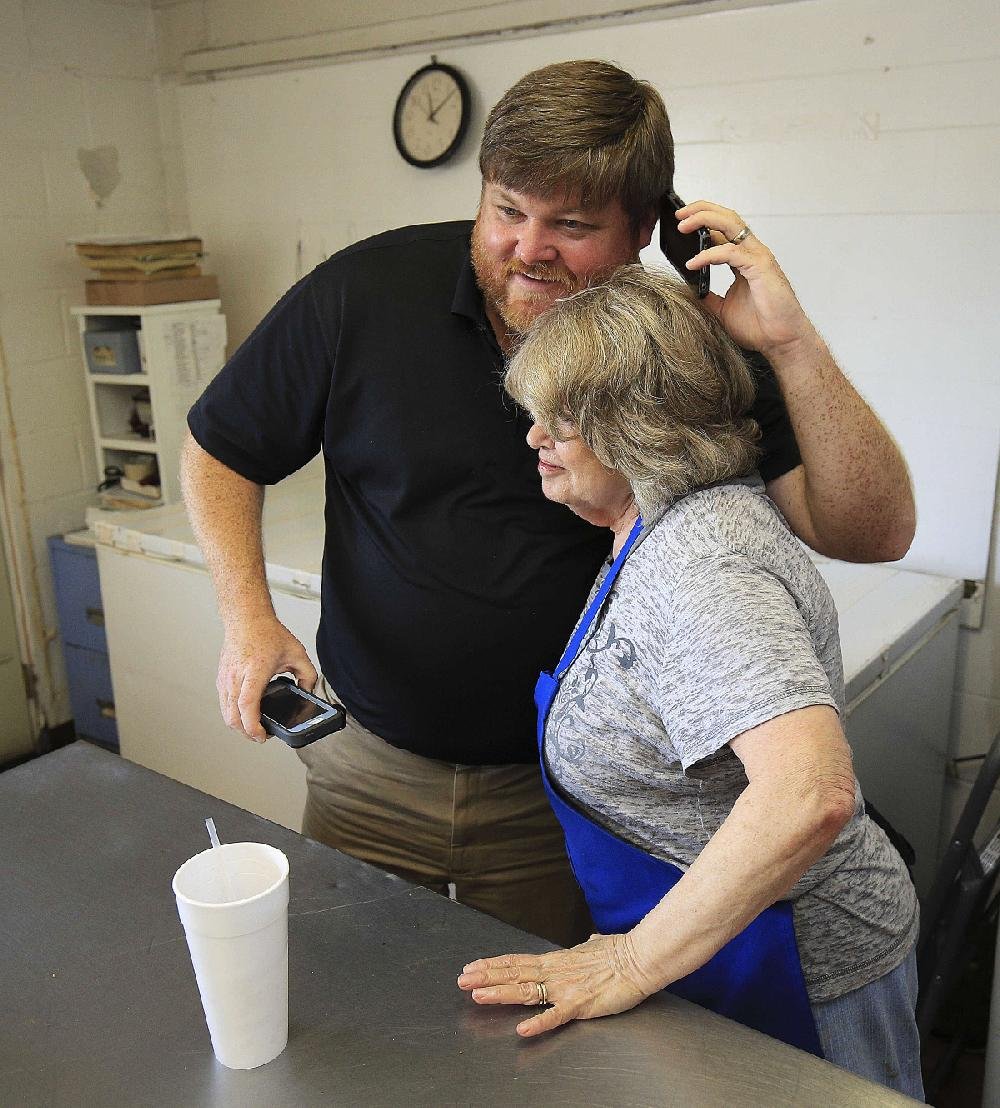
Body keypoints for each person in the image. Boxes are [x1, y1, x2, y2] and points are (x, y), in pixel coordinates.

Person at [180, 60, 915, 948]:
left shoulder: (683, 346)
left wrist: (790, 346)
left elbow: (873, 532)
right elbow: (221, 446)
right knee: (353, 1005)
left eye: (571, 224)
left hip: (565, 798)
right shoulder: (364, 295)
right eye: (508, 211)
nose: (529, 248)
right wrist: (247, 618)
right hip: (366, 769)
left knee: (531, 1053)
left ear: (647, 228)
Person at [455, 265, 922, 1099]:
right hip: (728, 948)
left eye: (561, 420)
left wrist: (635, 959)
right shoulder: (653, 528)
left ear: (637, 429)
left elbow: (809, 793)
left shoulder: (699, 563)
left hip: (801, 965)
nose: (534, 437)